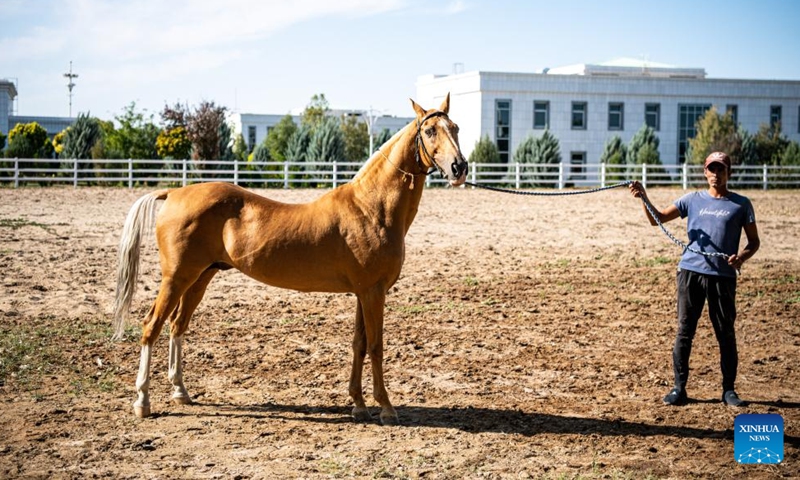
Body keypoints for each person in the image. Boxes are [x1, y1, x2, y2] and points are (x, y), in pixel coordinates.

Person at [628, 152, 760, 407]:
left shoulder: (742, 204)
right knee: (685, 331)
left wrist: (741, 258)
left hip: (722, 276)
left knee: (725, 333)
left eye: (721, 169)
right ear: (705, 172)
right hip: (690, 272)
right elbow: (658, 219)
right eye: (711, 169)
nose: (715, 174)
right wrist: (643, 197)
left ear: (728, 172)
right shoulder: (692, 200)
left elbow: (754, 241)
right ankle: (679, 388)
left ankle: (728, 390)